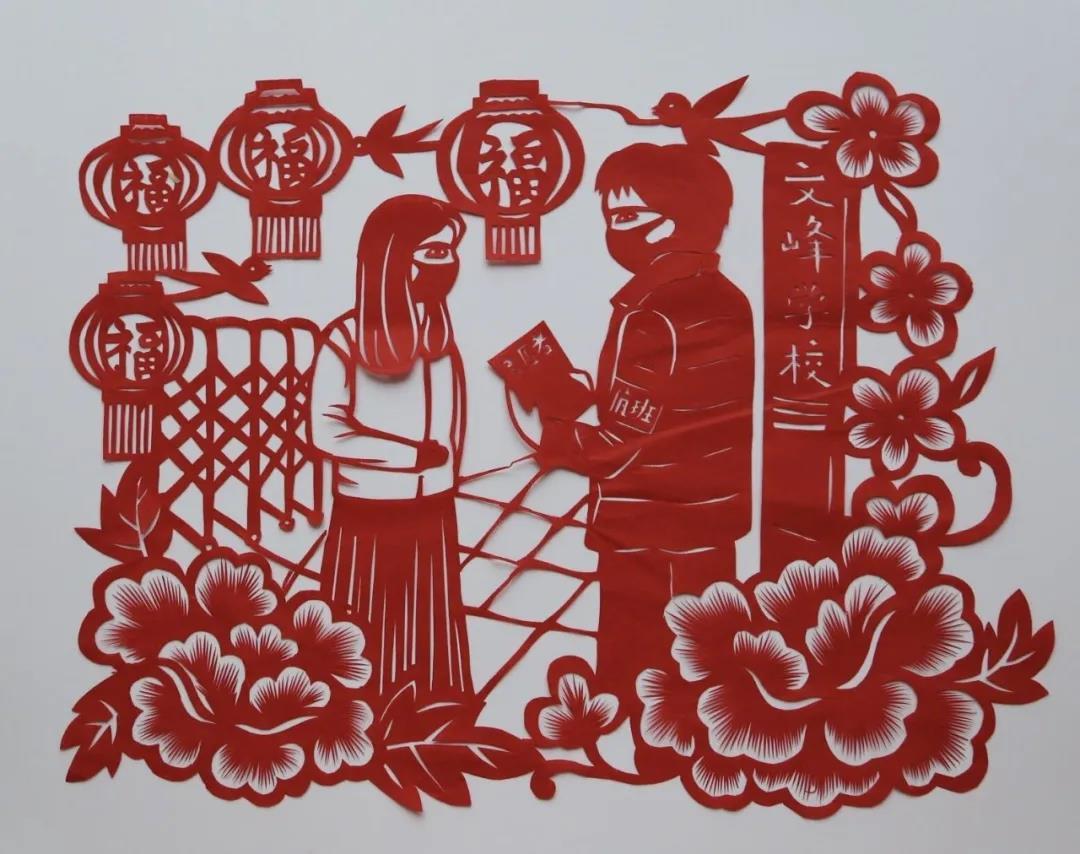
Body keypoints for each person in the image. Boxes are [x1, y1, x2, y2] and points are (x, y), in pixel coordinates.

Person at [537, 143, 754, 704]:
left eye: (628, 217)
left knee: (639, 677)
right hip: (710, 520)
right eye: (611, 218)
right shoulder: (727, 298)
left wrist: (556, 434)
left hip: (648, 528)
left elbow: (624, 443)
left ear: (674, 222)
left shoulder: (653, 310)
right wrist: (599, 396)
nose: (615, 233)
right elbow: (679, 404)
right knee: (704, 677)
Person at [310, 194, 472, 701]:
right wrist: (407, 457)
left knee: (429, 625)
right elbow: (325, 430)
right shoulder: (343, 339)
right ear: (393, 258)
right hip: (369, 514)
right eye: (434, 252)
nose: (447, 264)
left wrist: (446, 473)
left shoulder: (441, 340)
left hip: (434, 508)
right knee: (365, 628)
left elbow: (454, 423)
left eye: (451, 251)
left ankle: (435, 707)